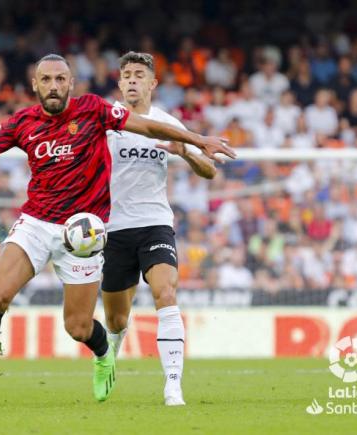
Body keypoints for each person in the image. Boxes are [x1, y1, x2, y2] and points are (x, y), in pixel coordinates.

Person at [0, 54, 235, 407]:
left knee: (79, 326)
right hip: (36, 221)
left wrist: (196, 142)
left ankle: (105, 354)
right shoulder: (21, 122)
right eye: (45, 79)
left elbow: (149, 127)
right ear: (34, 84)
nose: (53, 86)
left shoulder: (94, 110)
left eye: (60, 79)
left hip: (83, 232)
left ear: (71, 83)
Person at [103, 52, 216, 407]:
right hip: (114, 229)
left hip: (155, 224)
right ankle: (110, 351)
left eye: (139, 74)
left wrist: (185, 152)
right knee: (116, 319)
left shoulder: (169, 124)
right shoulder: (104, 122)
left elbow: (209, 171)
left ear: (152, 84)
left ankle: (172, 386)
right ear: (120, 83)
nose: (132, 80)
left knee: (165, 293)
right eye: (127, 75)